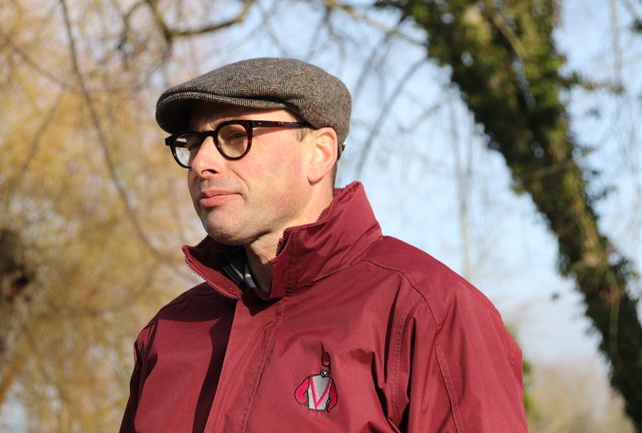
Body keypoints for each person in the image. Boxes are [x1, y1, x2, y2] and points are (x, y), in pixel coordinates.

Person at [120, 57, 528, 433]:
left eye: (235, 136)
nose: (200, 163)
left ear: (320, 153)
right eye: (193, 143)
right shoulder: (168, 333)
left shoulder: (429, 312)